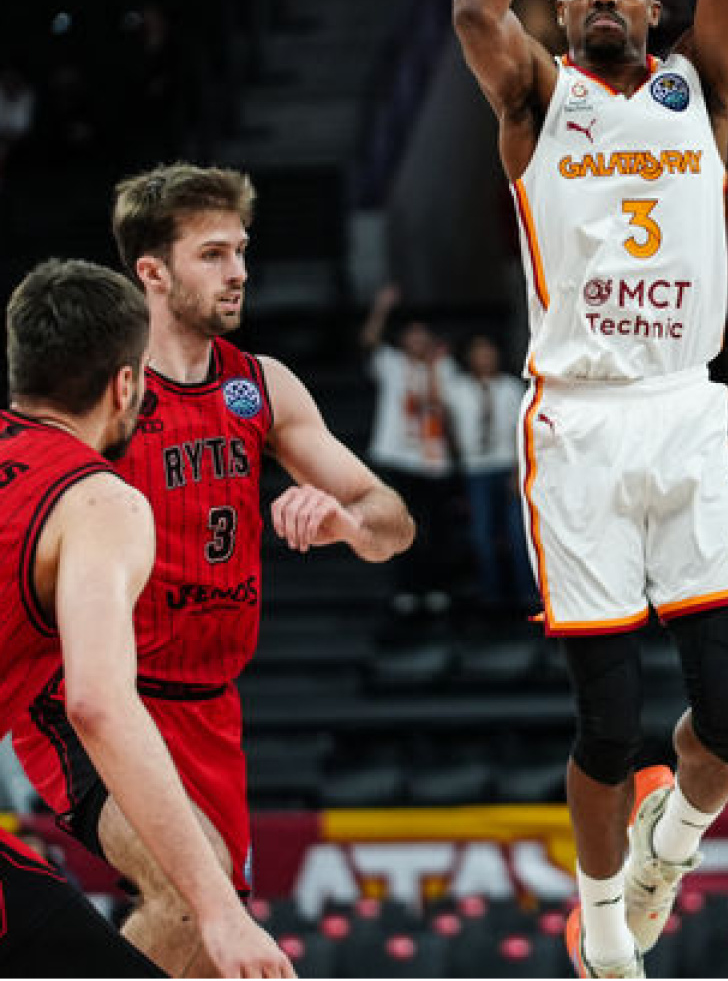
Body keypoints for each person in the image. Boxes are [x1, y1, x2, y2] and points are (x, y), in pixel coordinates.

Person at [453, 0, 728, 977]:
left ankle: (663, 851)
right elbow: (475, 6)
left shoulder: (701, 90)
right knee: (609, 721)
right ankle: (600, 931)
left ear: (654, 4)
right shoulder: (537, 97)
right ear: (562, 6)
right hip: (578, 421)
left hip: (684, 410)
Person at [12, 165, 415, 977]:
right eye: (212, 254)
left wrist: (348, 524)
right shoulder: (104, 397)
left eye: (241, 250)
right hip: (94, 693)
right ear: (152, 272)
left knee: (204, 938)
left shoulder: (260, 386)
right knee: (190, 895)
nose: (238, 272)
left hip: (211, 704)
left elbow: (393, 520)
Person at [0, 258, 292, 978]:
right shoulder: (98, 499)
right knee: (191, 899)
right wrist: (221, 911)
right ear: (126, 384)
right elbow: (97, 703)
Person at [359, 281, 461, 612]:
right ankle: (407, 590)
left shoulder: (444, 367)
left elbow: (443, 405)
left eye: (422, 336)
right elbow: (369, 341)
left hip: (434, 460)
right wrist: (382, 308)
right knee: (401, 525)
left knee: (437, 529)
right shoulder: (392, 363)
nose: (417, 341)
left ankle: (437, 588)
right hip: (398, 457)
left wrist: (432, 368)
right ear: (403, 340)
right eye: (411, 335)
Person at [445, 333, 537, 611]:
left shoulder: (511, 388)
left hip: (508, 466)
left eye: (488, 352)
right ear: (469, 357)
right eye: (478, 352)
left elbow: (524, 432)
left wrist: (520, 470)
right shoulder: (456, 388)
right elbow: (447, 427)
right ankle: (491, 595)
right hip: (474, 469)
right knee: (481, 534)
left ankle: (527, 593)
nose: (484, 358)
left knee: (518, 533)